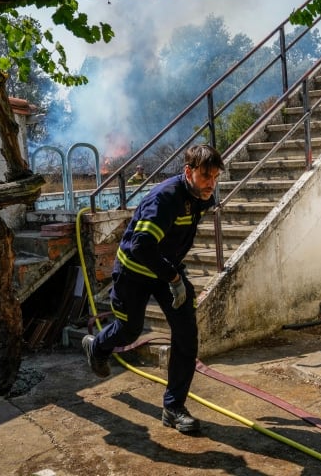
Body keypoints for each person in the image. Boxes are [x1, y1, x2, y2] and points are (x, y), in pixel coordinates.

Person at [82, 144, 224, 433]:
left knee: (186, 335)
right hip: (134, 271)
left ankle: (173, 408)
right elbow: (141, 246)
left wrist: (173, 274)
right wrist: (174, 279)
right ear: (188, 172)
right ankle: (97, 346)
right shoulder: (165, 199)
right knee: (130, 330)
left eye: (216, 176)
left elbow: (186, 225)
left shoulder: (201, 195)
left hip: (165, 268)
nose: (212, 183)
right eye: (206, 175)